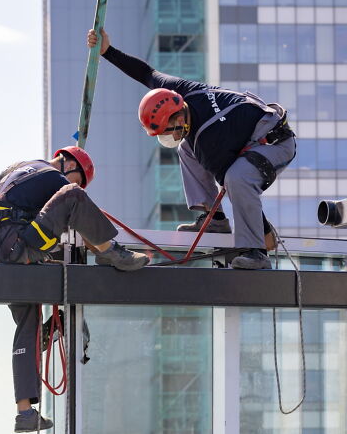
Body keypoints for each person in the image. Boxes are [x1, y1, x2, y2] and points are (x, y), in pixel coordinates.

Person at [88, 28, 296, 270]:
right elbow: (146, 73)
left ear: (177, 117)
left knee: (236, 177)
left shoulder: (210, 142)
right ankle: (214, 219)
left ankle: (256, 253)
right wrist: (108, 52)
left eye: (169, 130)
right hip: (246, 135)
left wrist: (264, 233)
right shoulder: (182, 91)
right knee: (186, 149)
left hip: (274, 143)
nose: (170, 135)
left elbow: (234, 186)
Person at [0, 147, 148, 433]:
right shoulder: (57, 178)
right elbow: (76, 211)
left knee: (27, 325)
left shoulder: (17, 169)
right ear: (69, 162)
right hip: (18, 243)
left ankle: (25, 413)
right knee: (74, 197)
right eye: (78, 177)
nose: (77, 182)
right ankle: (114, 252)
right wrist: (101, 247)